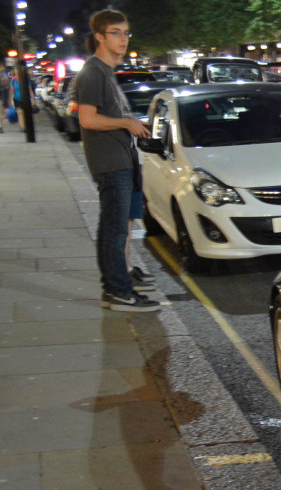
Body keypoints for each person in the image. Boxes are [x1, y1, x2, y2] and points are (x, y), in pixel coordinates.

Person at [75, 9, 160, 312]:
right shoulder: (93, 72)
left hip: (122, 159)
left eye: (126, 33)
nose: (123, 39)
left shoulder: (106, 71)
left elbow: (107, 115)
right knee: (114, 229)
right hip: (110, 163)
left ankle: (121, 278)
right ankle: (117, 291)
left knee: (120, 226)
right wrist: (125, 123)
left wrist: (130, 121)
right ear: (99, 36)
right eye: (116, 33)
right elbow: (88, 119)